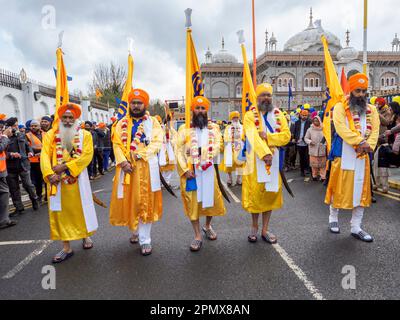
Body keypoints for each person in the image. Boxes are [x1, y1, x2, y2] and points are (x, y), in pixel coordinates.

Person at [40, 103, 98, 263]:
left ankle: (85, 236)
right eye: (64, 117)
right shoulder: (51, 134)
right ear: (59, 118)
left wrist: (66, 167)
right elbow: (44, 155)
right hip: (56, 181)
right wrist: (49, 174)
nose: (67, 120)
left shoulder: (85, 135)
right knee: (59, 211)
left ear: (76, 118)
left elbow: (87, 155)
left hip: (78, 179)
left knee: (81, 208)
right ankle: (66, 247)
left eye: (70, 117)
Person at [325, 73, 379, 242]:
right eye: (358, 91)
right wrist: (359, 142)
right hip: (343, 154)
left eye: (364, 91)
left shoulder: (372, 110)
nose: (361, 94)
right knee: (339, 188)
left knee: (361, 191)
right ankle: (333, 218)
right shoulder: (341, 107)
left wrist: (368, 145)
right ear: (351, 90)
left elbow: (375, 130)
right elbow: (341, 128)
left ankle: (356, 227)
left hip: (363, 156)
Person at [109, 89, 163, 256]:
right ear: (129, 104)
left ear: (144, 105)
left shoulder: (152, 122)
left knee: (145, 202)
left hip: (145, 167)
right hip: (126, 168)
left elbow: (157, 141)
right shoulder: (121, 123)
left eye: (139, 103)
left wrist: (141, 154)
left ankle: (145, 240)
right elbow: (116, 143)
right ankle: (135, 229)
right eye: (133, 102)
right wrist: (122, 161)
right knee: (129, 200)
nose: (136, 106)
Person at [242, 83, 291, 243]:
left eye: (269, 95)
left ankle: (265, 229)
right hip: (255, 160)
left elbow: (286, 136)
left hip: (274, 159)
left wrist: (269, 137)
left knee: (270, 194)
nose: (266, 98)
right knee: (256, 194)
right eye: (263, 95)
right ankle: (254, 227)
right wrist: (264, 153)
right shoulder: (250, 115)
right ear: (257, 98)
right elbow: (252, 135)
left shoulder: (278, 114)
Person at [176, 96, 226, 252]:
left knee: (212, 201)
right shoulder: (184, 129)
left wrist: (201, 153)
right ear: (192, 110)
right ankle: (197, 235)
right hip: (191, 172)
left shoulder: (214, 128)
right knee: (193, 203)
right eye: (197, 108)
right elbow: (178, 150)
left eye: (202, 108)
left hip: (209, 170)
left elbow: (218, 145)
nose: (200, 111)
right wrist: (184, 169)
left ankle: (207, 226)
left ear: (206, 110)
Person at [4, 117, 39, 215]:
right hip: (10, 167)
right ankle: (19, 208)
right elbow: (2, 151)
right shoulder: (4, 137)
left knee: (28, 185)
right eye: (14, 125)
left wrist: (31, 152)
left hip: (23, 165)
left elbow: (28, 146)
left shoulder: (21, 135)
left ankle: (34, 200)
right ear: (8, 127)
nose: (16, 127)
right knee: (14, 188)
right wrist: (11, 154)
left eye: (16, 125)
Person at [219, 111, 244, 186]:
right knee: (229, 164)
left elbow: (244, 136)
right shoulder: (228, 128)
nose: (236, 119)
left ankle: (238, 179)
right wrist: (231, 141)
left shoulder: (242, 127)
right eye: (234, 118)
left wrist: (240, 140)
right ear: (231, 119)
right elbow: (226, 137)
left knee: (240, 164)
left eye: (237, 117)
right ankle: (229, 178)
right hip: (230, 148)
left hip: (240, 147)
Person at [0, 126, 18, 229]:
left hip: (2, 171)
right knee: (4, 194)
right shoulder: (4, 136)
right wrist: (5, 136)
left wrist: (10, 154)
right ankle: (4, 221)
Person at [26, 120, 45, 203]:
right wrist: (37, 152)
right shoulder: (27, 135)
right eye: (32, 126)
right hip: (32, 161)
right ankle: (35, 196)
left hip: (43, 160)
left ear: (39, 126)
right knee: (33, 181)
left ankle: (40, 196)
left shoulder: (45, 134)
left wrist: (42, 152)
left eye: (35, 126)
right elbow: (27, 147)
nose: (33, 127)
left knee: (41, 180)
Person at [304, 115, 327, 181]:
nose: (316, 122)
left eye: (317, 121)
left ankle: (323, 177)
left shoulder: (324, 129)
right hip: (313, 149)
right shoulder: (310, 129)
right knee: (314, 165)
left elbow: (327, 138)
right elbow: (306, 138)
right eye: (314, 121)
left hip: (322, 148)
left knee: (323, 165)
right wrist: (310, 142)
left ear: (320, 121)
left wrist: (325, 144)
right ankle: (314, 175)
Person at [294, 109, 312, 176]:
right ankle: (302, 171)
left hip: (307, 142)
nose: (304, 116)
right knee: (301, 157)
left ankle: (307, 169)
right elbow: (295, 131)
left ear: (307, 116)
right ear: (300, 115)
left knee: (307, 157)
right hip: (299, 142)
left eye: (305, 115)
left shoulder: (310, 122)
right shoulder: (297, 122)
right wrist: (295, 139)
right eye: (303, 115)